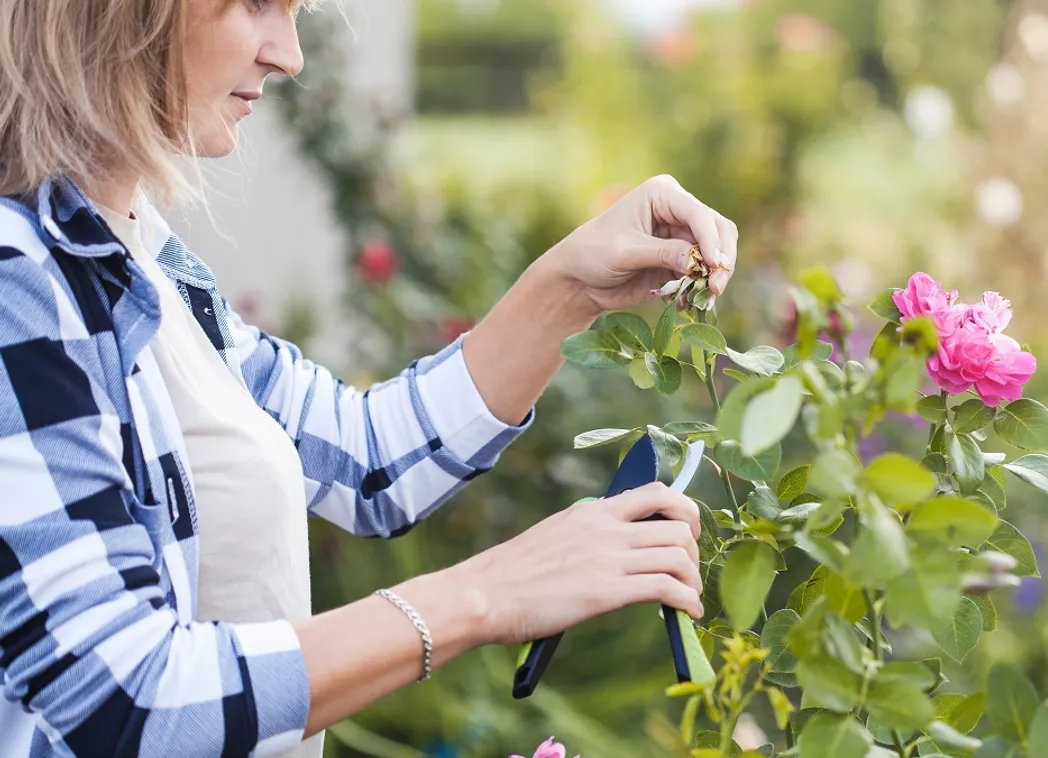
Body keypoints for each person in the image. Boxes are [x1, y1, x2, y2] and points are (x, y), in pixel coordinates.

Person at [0, 1, 737, 756]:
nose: (289, 55)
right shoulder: (17, 283)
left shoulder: (132, 254)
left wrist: (570, 289)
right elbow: (130, 700)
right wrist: (489, 594)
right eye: (256, 5)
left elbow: (364, 458)